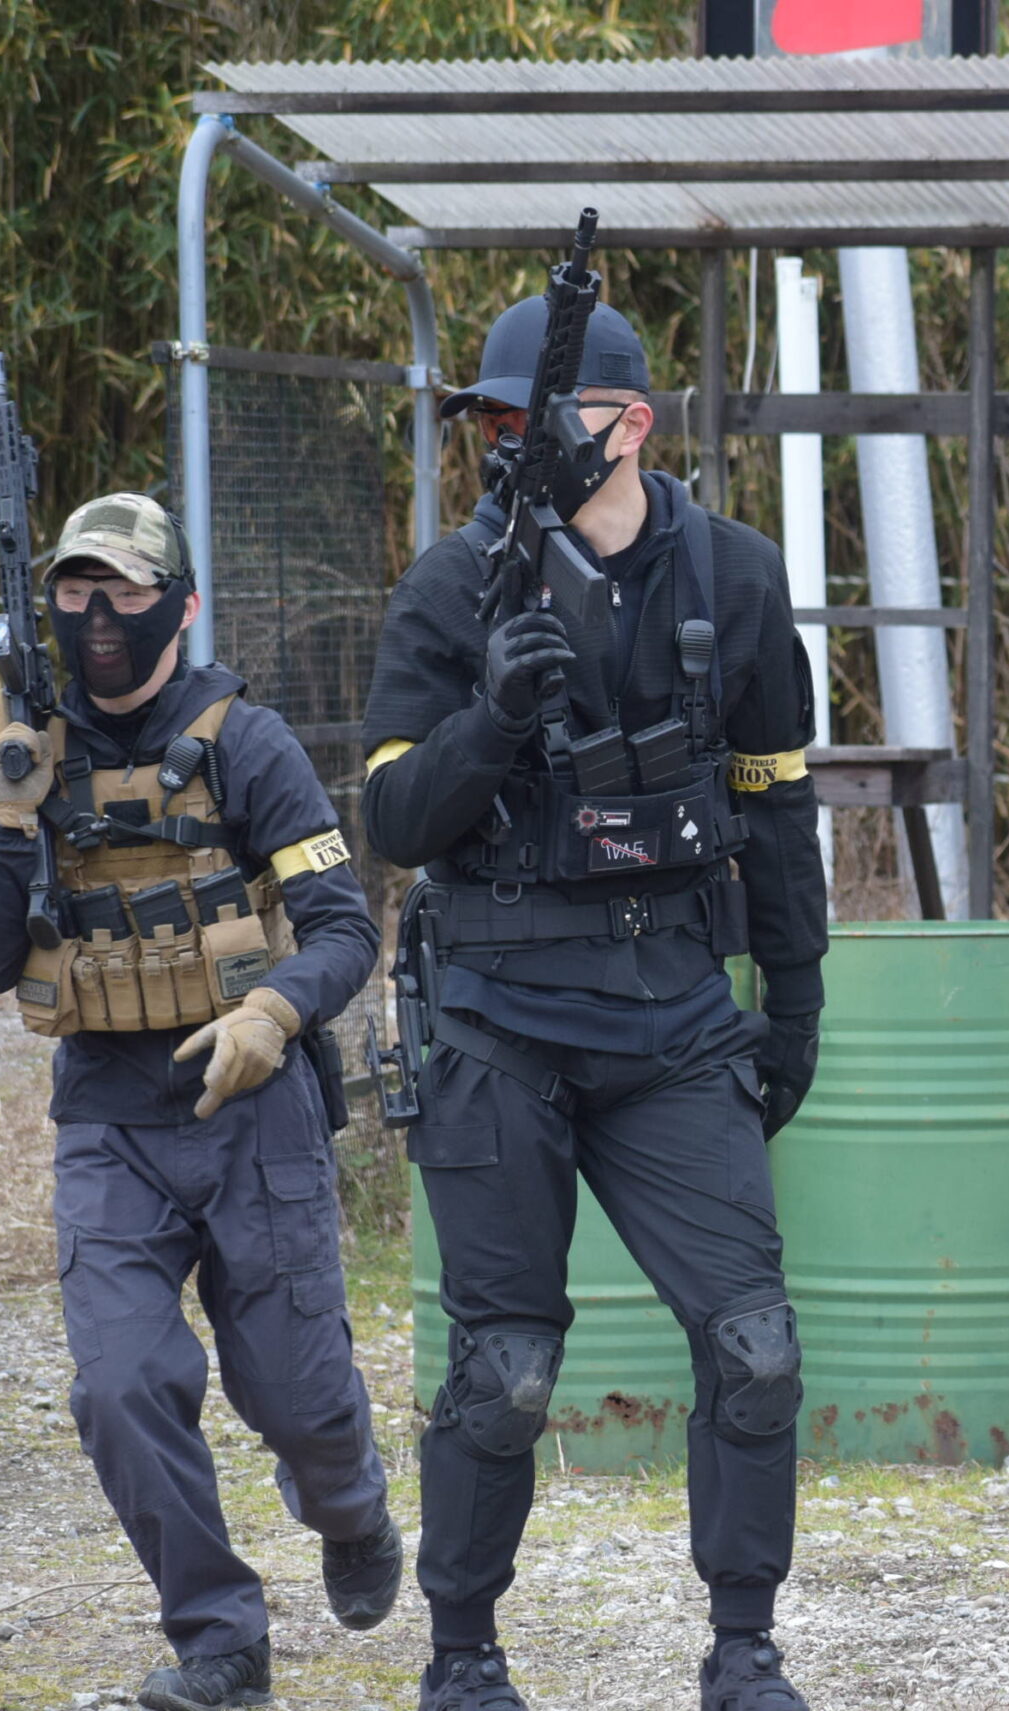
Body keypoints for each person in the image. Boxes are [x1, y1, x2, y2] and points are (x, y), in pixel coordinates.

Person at [360, 297, 828, 1711]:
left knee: (754, 1344)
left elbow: (776, 809)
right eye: (492, 423)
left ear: (631, 425)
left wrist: (794, 996)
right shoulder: (452, 586)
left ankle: (743, 1647)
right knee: (506, 1368)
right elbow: (394, 818)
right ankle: (463, 1652)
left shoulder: (735, 575)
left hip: (673, 1013)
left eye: (533, 419)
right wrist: (492, 718)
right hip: (498, 1017)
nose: (507, 446)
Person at [0, 493, 395, 1711]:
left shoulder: (247, 743)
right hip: (109, 1117)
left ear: (181, 603)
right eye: (75, 589)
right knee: (119, 1386)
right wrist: (9, 813)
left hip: (251, 1113)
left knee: (297, 1397)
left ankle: (350, 1508)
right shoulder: (27, 753)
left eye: (127, 590)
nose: (98, 615)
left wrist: (273, 1014)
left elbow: (346, 928)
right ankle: (221, 1639)